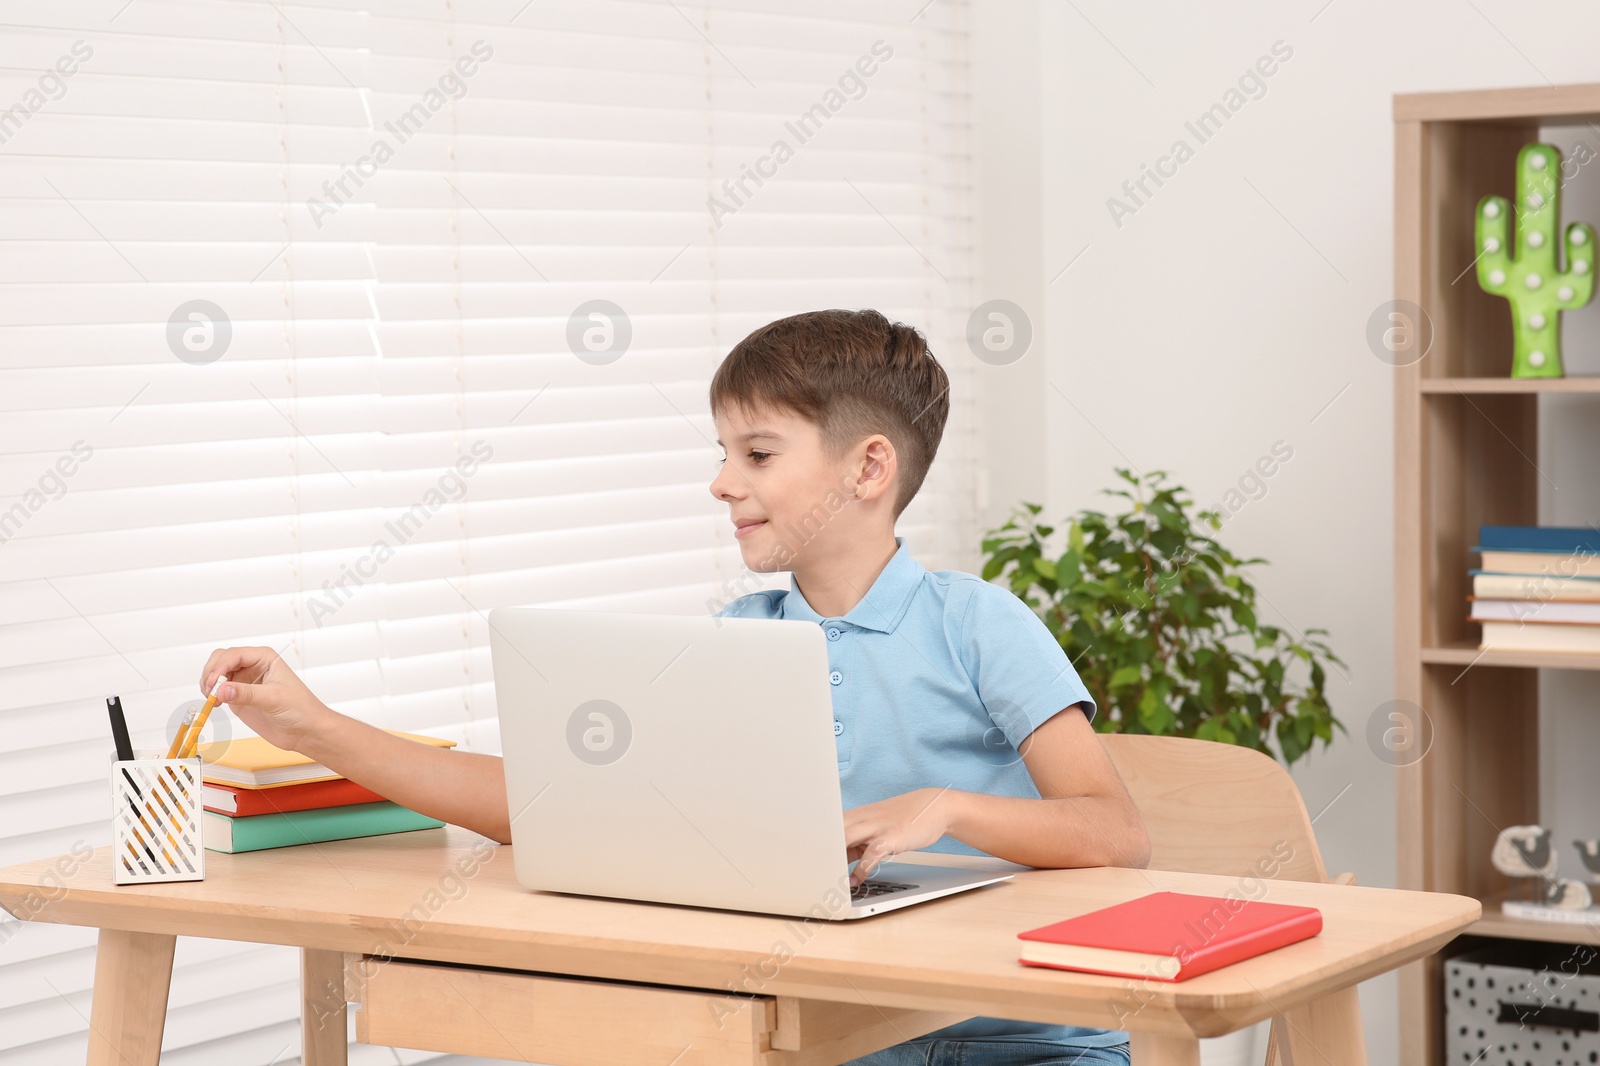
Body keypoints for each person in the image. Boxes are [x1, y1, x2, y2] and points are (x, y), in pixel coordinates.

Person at [200, 308, 1150, 1066]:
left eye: (757, 454)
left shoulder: (977, 624)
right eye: (724, 452)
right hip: (824, 1039)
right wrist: (315, 728)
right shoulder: (739, 644)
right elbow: (544, 804)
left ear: (868, 467)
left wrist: (946, 808)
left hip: (1024, 1043)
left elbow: (1115, 833)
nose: (720, 482)